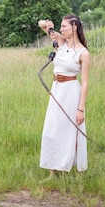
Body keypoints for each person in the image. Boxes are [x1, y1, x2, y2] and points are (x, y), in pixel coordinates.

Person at [38, 14, 90, 177]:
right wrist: (47, 24)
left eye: (64, 26)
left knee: (67, 131)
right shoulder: (60, 42)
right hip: (56, 90)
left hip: (70, 92)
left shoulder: (83, 53)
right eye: (60, 26)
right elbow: (42, 25)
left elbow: (85, 83)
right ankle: (52, 172)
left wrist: (81, 108)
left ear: (74, 27)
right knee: (51, 130)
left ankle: (70, 168)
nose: (61, 29)